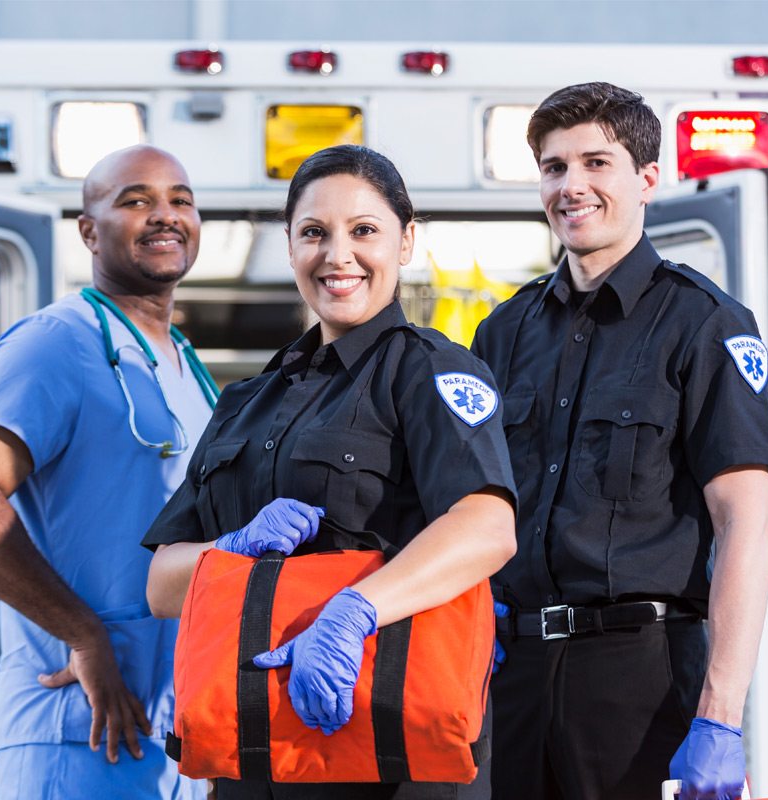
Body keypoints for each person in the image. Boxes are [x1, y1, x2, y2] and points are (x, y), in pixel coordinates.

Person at [142, 144, 518, 800]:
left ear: (405, 242)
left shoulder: (430, 372)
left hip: (387, 748)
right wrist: (228, 552)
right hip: (254, 750)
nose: (337, 255)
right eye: (314, 233)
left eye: (364, 231)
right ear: (290, 247)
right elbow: (162, 585)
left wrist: (354, 612)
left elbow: (488, 529)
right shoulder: (243, 403)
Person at [470, 82, 768, 800]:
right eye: (553, 168)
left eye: (595, 163)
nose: (570, 186)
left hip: (638, 684)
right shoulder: (502, 333)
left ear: (647, 179)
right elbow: (469, 511)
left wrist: (721, 719)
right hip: (508, 682)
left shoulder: (704, 325)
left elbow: (745, 522)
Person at [0, 145, 213, 799]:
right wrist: (81, 633)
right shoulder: (57, 342)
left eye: (180, 200)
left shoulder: (185, 367)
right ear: (88, 230)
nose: (165, 215)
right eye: (136, 200)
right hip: (76, 731)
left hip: (167, 739)